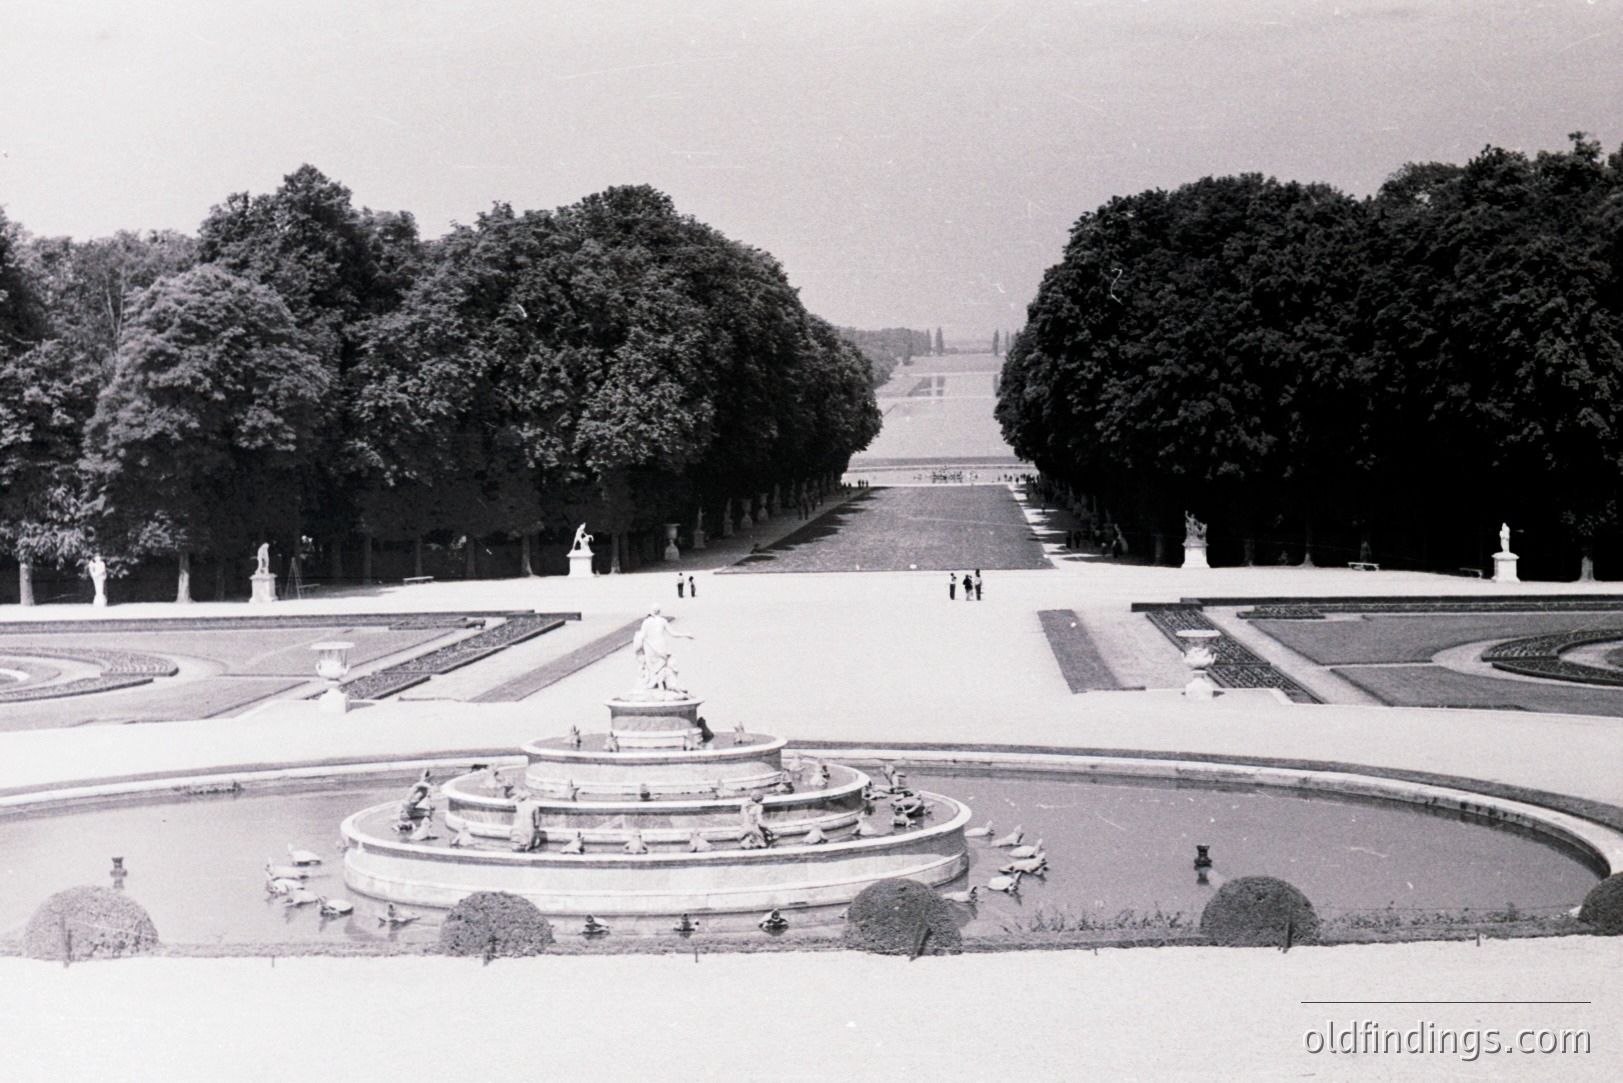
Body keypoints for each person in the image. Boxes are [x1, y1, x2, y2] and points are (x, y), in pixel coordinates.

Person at [633, 604, 695, 692]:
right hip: (661, 645)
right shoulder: (663, 621)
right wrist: (685, 634)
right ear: (659, 611)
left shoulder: (646, 622)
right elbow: (673, 634)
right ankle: (660, 684)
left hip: (650, 645)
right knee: (662, 664)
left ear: (651, 611)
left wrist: (637, 647)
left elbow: (641, 636)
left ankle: (653, 683)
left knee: (652, 666)